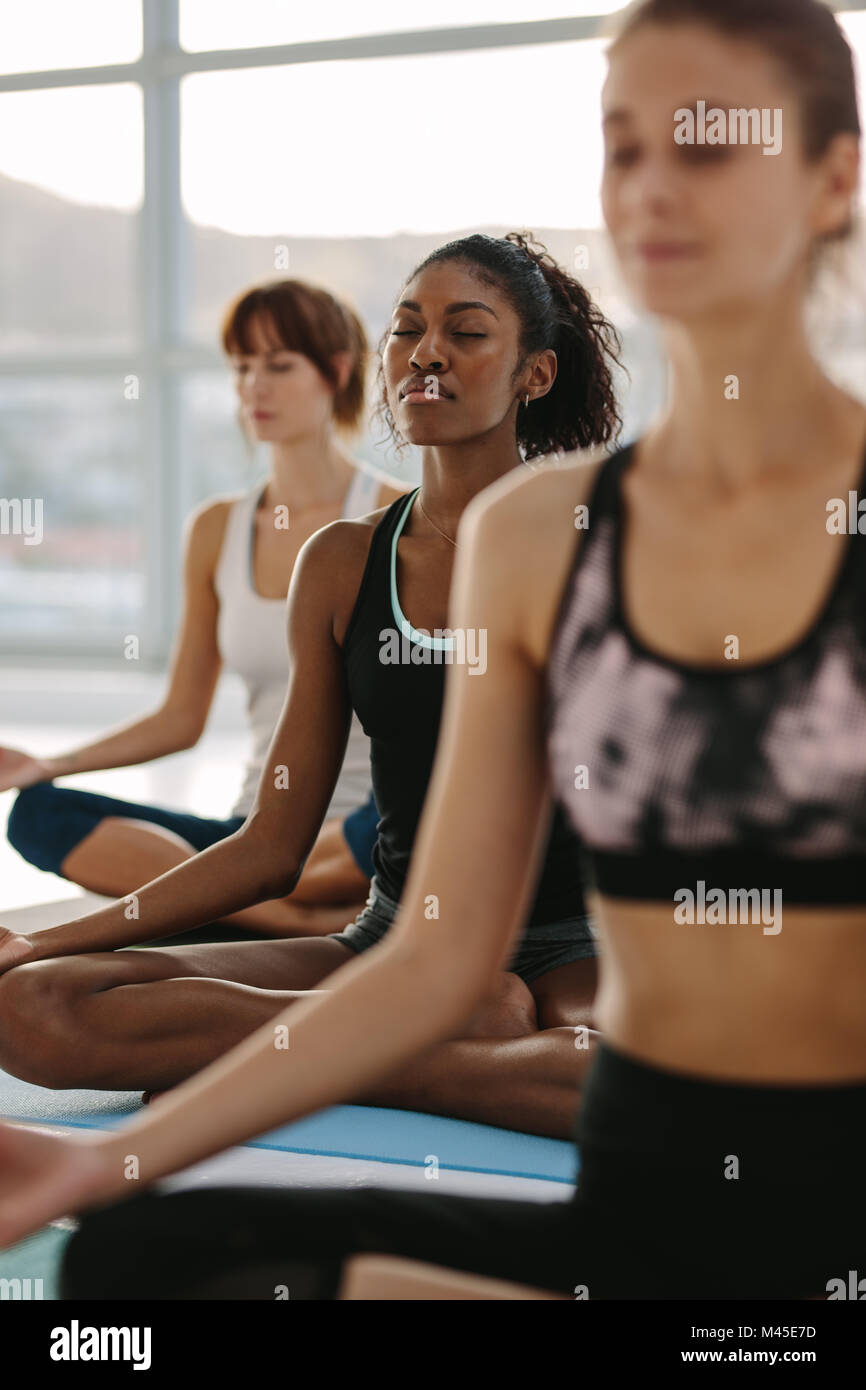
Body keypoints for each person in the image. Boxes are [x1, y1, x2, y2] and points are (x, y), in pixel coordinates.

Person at [3, 0, 862, 1298]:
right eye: (621, 147)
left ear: (831, 176)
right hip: (592, 1163)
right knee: (129, 1254)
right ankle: (436, 1067)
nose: (647, 188)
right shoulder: (543, 531)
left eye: (703, 145)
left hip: (752, 1161)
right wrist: (97, 1164)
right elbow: (427, 948)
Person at [0, 232, 621, 1135]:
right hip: (389, 939)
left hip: (568, 947)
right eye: (407, 329)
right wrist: (36, 942)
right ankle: (454, 1043)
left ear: (535, 374)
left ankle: (360, 1056)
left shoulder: (590, 544)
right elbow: (274, 845)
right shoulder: (342, 562)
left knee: (631, 1081)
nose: (426, 353)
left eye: (468, 333)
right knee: (34, 1009)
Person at [2, 280, 403, 939]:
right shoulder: (216, 529)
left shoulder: (396, 517)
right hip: (253, 829)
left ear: (335, 372)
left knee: (399, 822)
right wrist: (53, 764)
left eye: (278, 366)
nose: (254, 388)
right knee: (38, 813)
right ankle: (283, 917)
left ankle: (223, 897)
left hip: (364, 829)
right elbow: (181, 718)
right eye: (242, 368)